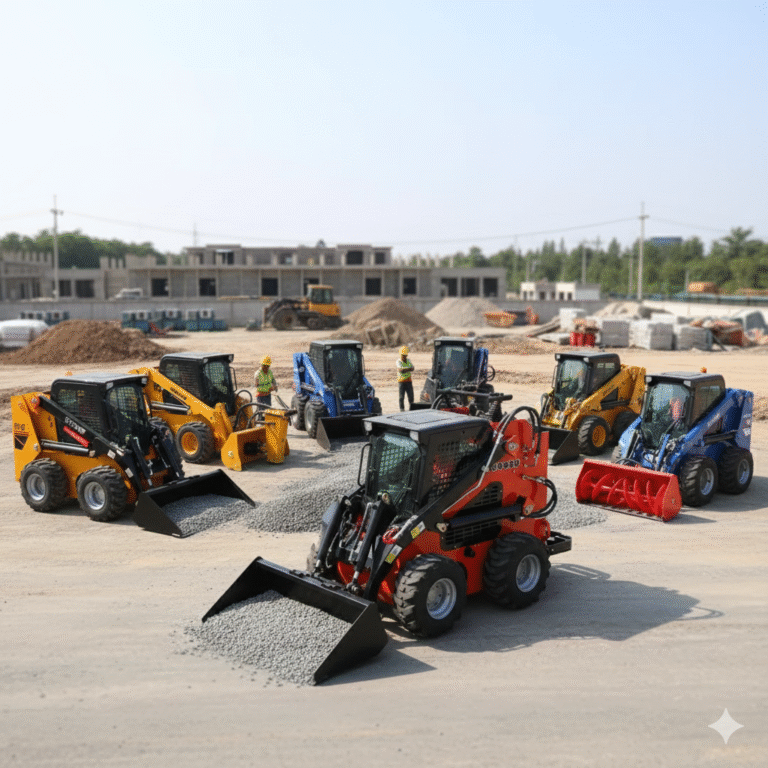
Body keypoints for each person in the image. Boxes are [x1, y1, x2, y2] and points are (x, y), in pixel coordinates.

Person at [397, 345, 414, 411]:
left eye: (404, 355)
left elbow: (413, 368)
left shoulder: (408, 360)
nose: (403, 357)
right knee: (401, 397)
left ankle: (411, 409)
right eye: (402, 355)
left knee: (411, 396)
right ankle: (402, 409)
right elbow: (401, 370)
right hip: (401, 381)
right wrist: (409, 369)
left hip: (408, 381)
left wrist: (405, 369)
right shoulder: (398, 361)